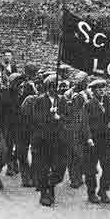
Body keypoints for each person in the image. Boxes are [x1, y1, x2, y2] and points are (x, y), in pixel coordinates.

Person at [32, 74, 69, 206]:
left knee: (59, 168)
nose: (54, 89)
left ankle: (50, 184)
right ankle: (44, 193)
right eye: (52, 86)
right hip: (43, 139)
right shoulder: (40, 100)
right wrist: (49, 115)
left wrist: (59, 117)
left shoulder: (62, 100)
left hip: (58, 139)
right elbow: (36, 119)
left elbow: (68, 118)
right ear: (47, 87)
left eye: (56, 86)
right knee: (43, 166)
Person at [82, 79, 110, 204]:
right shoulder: (89, 105)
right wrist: (89, 138)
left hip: (106, 141)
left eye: (103, 88)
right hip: (93, 141)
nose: (101, 90)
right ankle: (91, 193)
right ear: (93, 90)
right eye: (98, 88)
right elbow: (85, 123)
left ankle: (103, 190)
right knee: (90, 169)